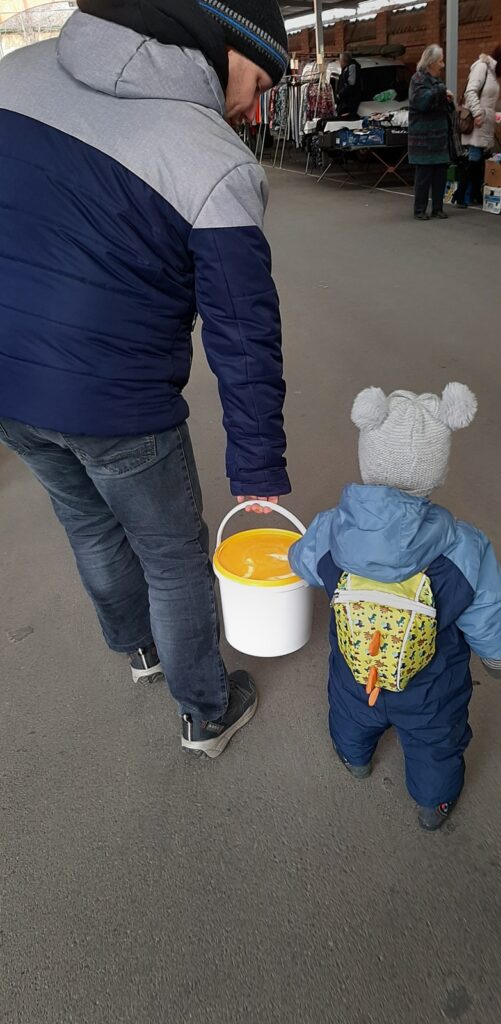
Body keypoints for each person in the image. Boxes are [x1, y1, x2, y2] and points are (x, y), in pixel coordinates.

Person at [0, 0, 291, 759]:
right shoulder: (214, 159)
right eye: (259, 84)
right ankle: (205, 712)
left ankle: (141, 650)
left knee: (88, 523)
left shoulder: (13, 75)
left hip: (8, 388)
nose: (253, 109)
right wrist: (257, 468)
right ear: (225, 44)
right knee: (172, 556)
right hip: (117, 402)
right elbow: (244, 338)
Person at [289, 383, 501, 831]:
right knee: (436, 742)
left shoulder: (331, 529)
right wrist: (496, 657)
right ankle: (434, 803)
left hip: (358, 674)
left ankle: (354, 757)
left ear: (367, 457)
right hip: (432, 686)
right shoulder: (464, 546)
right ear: (437, 471)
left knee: (350, 713)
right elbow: (489, 611)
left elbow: (301, 563)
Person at [455, 45, 501, 208]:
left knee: (477, 159)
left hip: (484, 120)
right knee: (473, 158)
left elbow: (490, 103)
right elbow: (470, 92)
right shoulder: (482, 67)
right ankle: (461, 195)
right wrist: (477, 114)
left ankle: (470, 194)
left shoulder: (491, 72)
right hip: (478, 121)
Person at [408, 44, 453, 221]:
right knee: (424, 176)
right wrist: (442, 92)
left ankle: (437, 208)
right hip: (423, 139)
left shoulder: (437, 81)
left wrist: (448, 100)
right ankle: (419, 210)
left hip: (439, 137)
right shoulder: (417, 79)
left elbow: (443, 105)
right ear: (431, 63)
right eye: (440, 61)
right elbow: (422, 102)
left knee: (440, 175)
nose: (443, 65)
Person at [336, 52, 362, 118]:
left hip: (350, 102)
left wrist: (340, 94)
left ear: (344, 61)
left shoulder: (352, 67)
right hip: (346, 101)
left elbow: (351, 84)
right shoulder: (346, 68)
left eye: (340, 61)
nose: (340, 63)